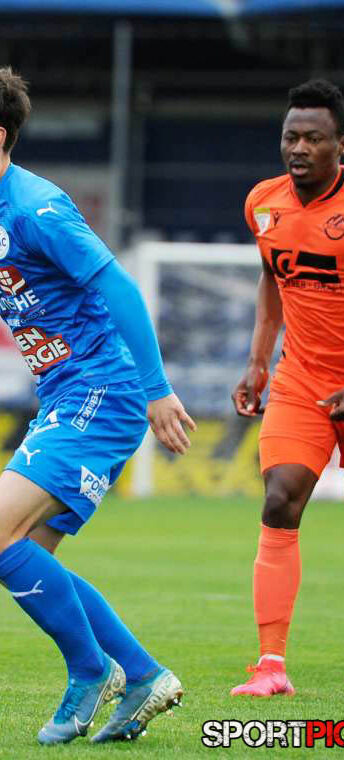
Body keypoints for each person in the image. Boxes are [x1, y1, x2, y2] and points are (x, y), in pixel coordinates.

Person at [0, 64, 195, 745]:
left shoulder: (39, 208)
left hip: (104, 389)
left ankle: (91, 672)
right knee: (30, 550)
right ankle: (143, 674)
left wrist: (157, 389)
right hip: (66, 394)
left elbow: (119, 286)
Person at [231, 79, 344, 697]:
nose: (299, 148)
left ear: (340, 145)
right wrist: (258, 363)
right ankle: (270, 666)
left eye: (313, 138)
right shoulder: (263, 203)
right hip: (302, 377)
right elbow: (272, 278)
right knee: (279, 500)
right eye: (290, 137)